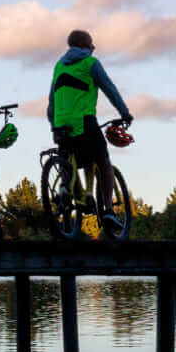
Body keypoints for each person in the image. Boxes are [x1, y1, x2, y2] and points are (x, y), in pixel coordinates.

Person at [46, 29, 133, 217]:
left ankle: (65, 190)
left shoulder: (58, 66)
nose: (94, 47)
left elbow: (51, 101)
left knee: (71, 159)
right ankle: (109, 210)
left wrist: (53, 125)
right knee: (103, 162)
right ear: (85, 46)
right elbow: (109, 88)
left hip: (61, 123)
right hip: (84, 121)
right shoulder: (91, 63)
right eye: (91, 43)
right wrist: (124, 113)